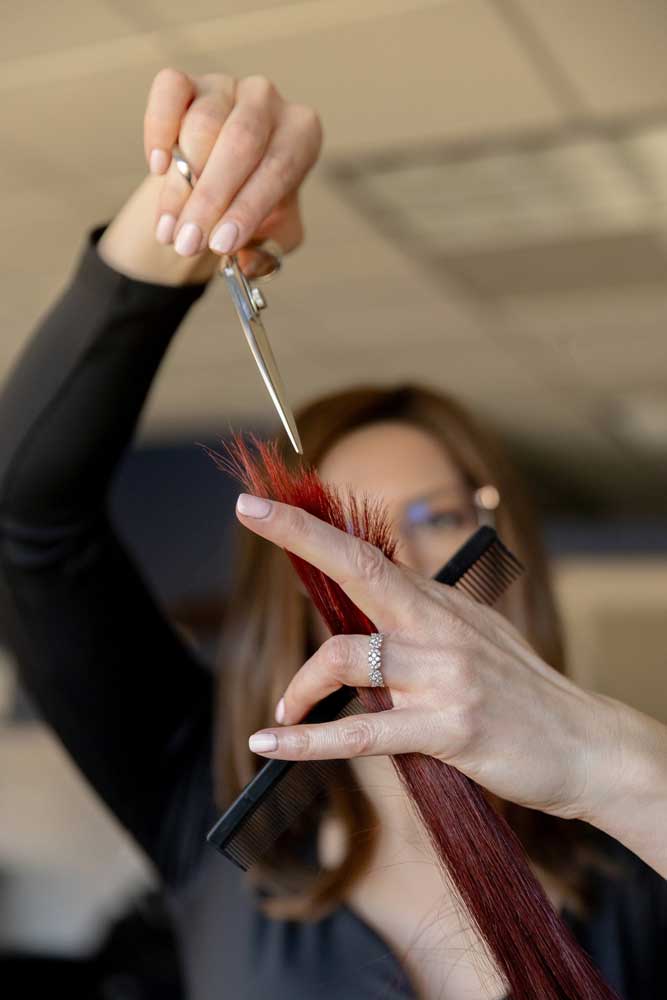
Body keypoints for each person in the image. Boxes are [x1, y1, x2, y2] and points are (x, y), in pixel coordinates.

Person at [1, 68, 666, 1000]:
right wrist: (182, 222)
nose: (400, 577)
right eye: (352, 540)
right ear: (303, 590)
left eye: (434, 519)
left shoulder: (631, 867)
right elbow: (27, 514)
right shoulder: (211, 813)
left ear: (504, 547)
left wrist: (609, 767)